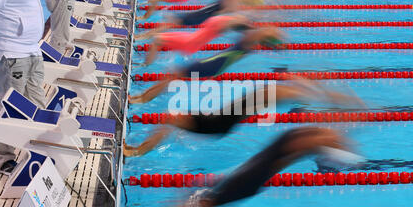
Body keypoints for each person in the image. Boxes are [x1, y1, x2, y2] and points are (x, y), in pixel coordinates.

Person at [119, 126, 364, 207]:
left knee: (191, 206)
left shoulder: (305, 134)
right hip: (247, 182)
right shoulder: (305, 142)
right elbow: (323, 152)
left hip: (246, 176)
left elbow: (319, 147)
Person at [123, 78, 366, 157]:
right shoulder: (276, 93)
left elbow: (313, 92)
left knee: (169, 118)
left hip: (217, 122)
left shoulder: (274, 94)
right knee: (170, 119)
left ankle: (137, 150)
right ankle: (138, 149)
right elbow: (312, 91)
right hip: (218, 120)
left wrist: (341, 100)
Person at [129, 26, 284, 104]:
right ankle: (139, 98)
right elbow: (264, 34)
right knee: (172, 77)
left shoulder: (247, 43)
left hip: (213, 65)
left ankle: (140, 99)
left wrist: (273, 34)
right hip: (215, 66)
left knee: (171, 77)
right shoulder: (248, 45)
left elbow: (264, 33)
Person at [0, 0, 45, 173]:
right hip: (12, 54)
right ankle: (1, 158)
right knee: (7, 108)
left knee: (37, 106)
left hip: (32, 51)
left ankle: (39, 152)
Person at [135, 0, 264, 40]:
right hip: (200, 16)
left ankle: (141, 36)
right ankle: (141, 37)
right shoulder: (235, 5)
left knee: (169, 25)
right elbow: (219, 15)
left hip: (200, 13)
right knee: (169, 25)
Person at [139, 14, 253, 66]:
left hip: (190, 42)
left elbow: (242, 24)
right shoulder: (228, 18)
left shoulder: (226, 24)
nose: (243, 17)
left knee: (157, 40)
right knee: (158, 38)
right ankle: (146, 62)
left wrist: (251, 28)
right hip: (189, 36)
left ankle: (144, 66)